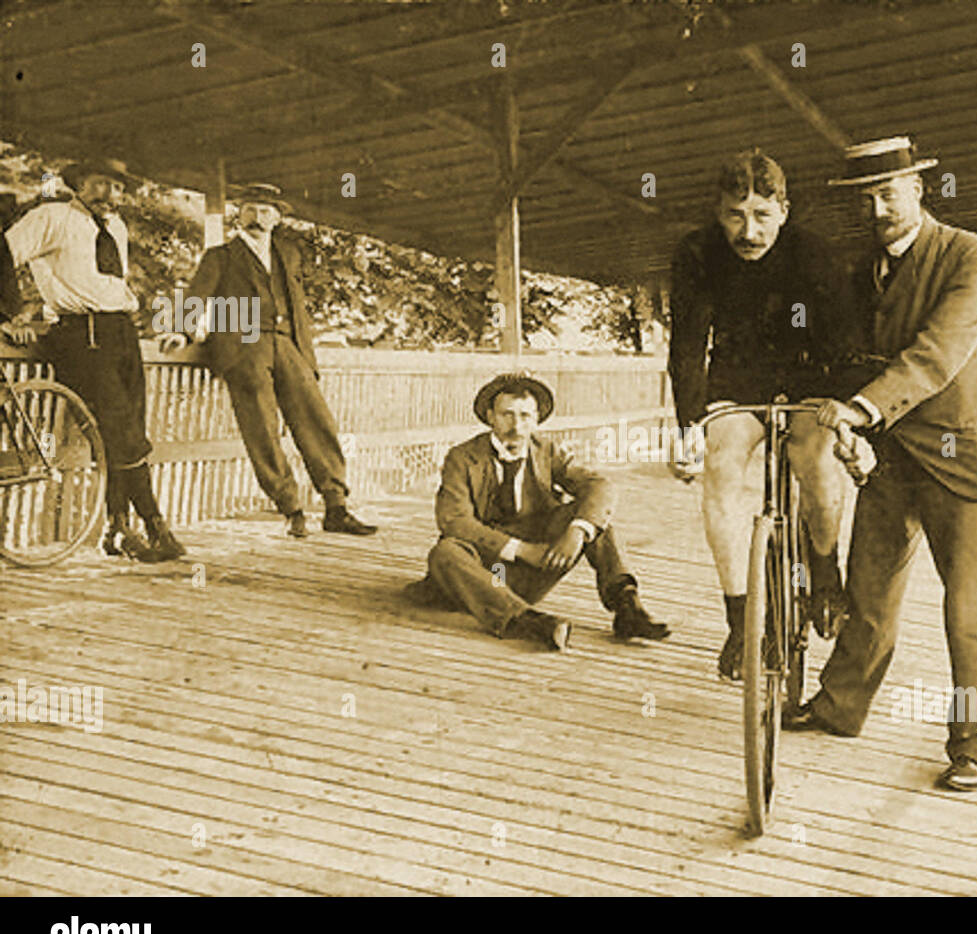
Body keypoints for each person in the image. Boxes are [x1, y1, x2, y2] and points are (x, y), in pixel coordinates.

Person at [789, 136, 977, 793]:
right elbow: (857, 354)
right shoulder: (866, 274)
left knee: (969, 613)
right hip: (891, 457)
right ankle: (838, 708)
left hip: (962, 459)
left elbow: (937, 353)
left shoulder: (972, 257)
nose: (879, 207)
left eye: (890, 192)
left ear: (920, 189)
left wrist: (860, 410)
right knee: (869, 593)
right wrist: (837, 410)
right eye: (866, 199)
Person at [668, 148, 853, 682]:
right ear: (718, 210)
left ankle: (824, 569)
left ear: (785, 212)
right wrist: (687, 430)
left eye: (762, 216)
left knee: (813, 458)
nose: (748, 231)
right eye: (735, 215)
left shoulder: (814, 253)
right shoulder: (697, 252)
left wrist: (842, 416)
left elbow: (843, 343)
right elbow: (687, 345)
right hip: (737, 378)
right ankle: (740, 619)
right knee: (720, 468)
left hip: (808, 377)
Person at [163, 182, 375, 538]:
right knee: (261, 426)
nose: (256, 218)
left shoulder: (287, 253)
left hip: (287, 345)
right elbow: (197, 295)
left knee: (316, 419)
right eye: (249, 210)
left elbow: (297, 306)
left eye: (264, 212)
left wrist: (307, 356)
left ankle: (336, 505)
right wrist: (181, 331)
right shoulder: (221, 256)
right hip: (244, 344)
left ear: (276, 219)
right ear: (238, 215)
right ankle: (290, 508)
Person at [0, 158, 184, 562]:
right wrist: (11, 314)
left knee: (127, 428)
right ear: (80, 184)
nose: (110, 195)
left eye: (118, 188)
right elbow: (3, 251)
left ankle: (117, 529)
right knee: (120, 429)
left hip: (122, 332)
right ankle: (155, 525)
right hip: (82, 335)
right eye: (101, 184)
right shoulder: (51, 216)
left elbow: (109, 285)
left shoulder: (115, 227)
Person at [404, 372, 669, 651]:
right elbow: (454, 521)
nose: (516, 426)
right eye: (506, 415)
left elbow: (599, 486)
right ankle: (528, 621)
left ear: (537, 420)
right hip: (478, 576)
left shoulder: (547, 451)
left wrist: (577, 531)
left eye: (525, 416)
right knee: (446, 552)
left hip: (530, 573)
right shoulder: (462, 457)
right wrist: (520, 549)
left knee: (592, 518)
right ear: (489, 415)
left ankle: (628, 608)